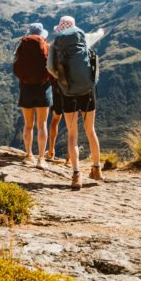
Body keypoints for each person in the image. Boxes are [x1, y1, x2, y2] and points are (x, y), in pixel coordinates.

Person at [47, 15, 105, 190]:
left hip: (68, 92)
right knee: (90, 130)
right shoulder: (83, 38)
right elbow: (98, 35)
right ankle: (97, 169)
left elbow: (49, 68)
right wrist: (101, 30)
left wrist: (62, 79)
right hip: (87, 90)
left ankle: (76, 174)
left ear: (60, 29)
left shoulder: (55, 43)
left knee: (73, 134)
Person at [13, 23, 53, 168]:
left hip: (26, 87)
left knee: (28, 125)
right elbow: (53, 67)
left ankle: (28, 155)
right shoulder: (47, 47)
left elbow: (15, 64)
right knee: (42, 125)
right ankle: (41, 158)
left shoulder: (21, 47)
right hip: (43, 87)